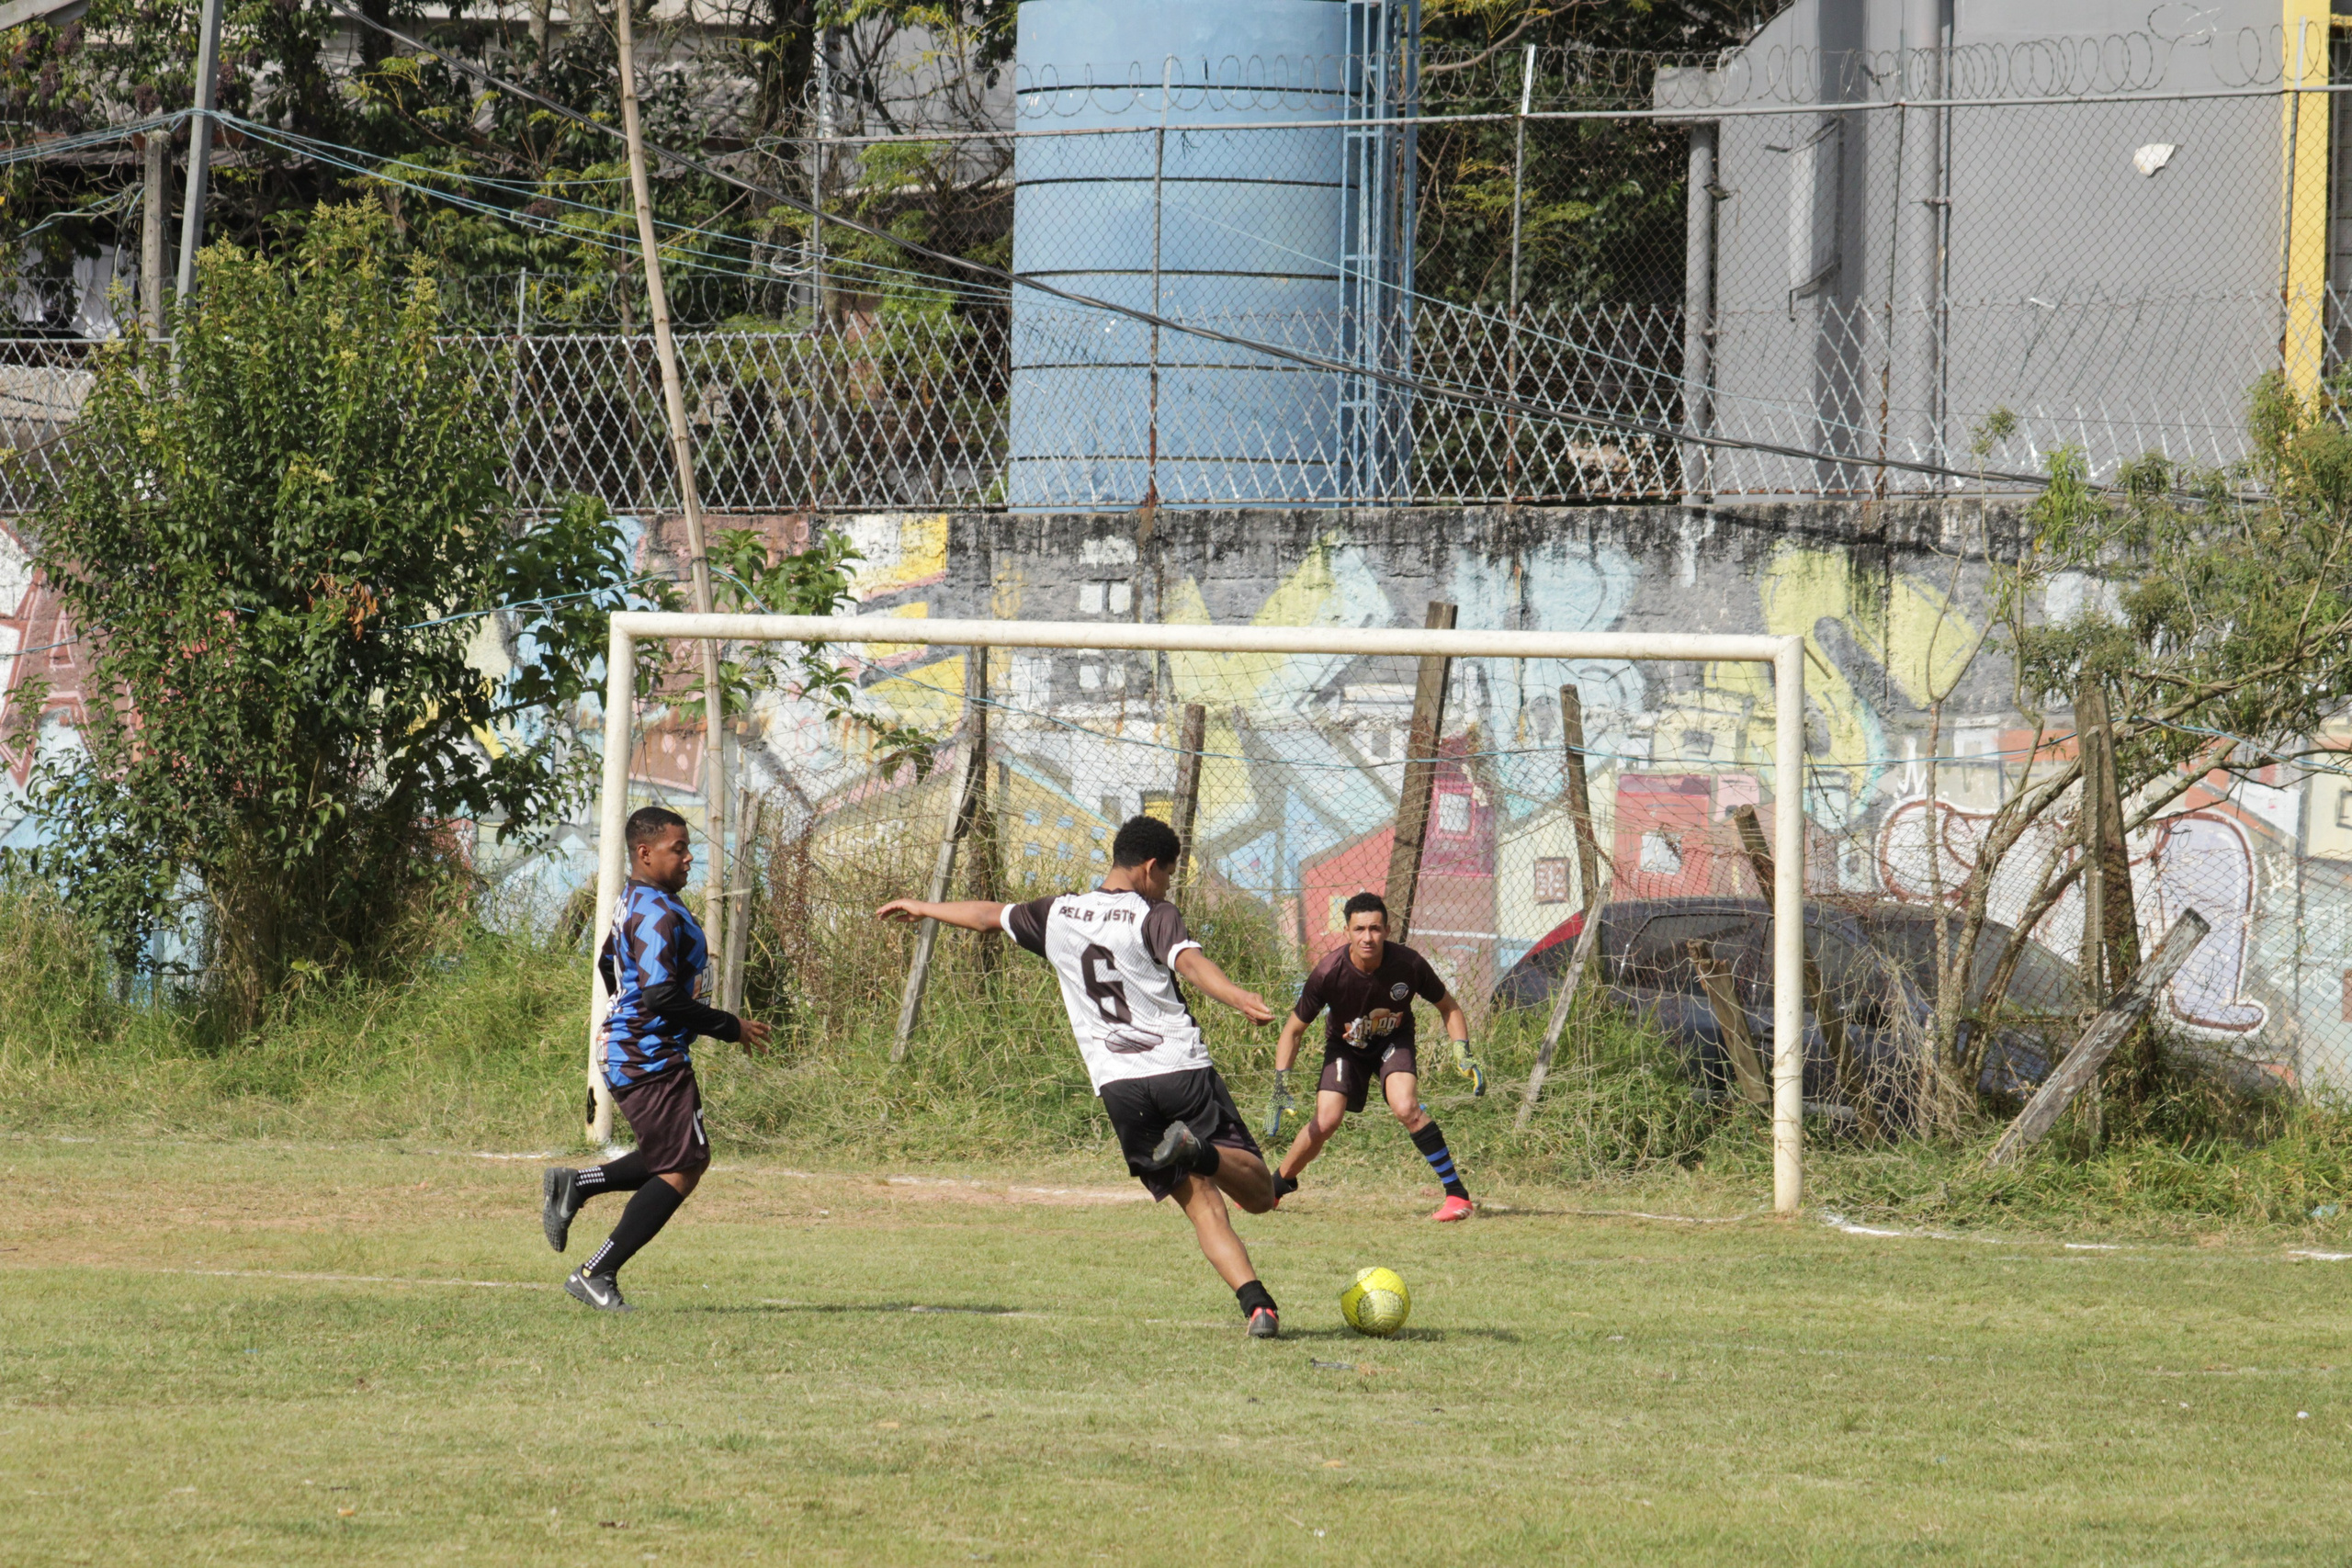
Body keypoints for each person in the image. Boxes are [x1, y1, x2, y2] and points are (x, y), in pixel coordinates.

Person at [875, 815, 1287, 1338]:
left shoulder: (1058, 912)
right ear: (1151, 867)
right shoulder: (1152, 914)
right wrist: (1236, 996)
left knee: (1202, 1205)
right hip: (1177, 1069)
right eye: (1167, 875)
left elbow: (986, 915)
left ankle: (1258, 1307)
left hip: (1120, 1088)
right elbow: (1190, 963)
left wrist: (924, 906)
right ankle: (1197, 1148)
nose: (1166, 886)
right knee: (1258, 1195)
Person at [540, 806, 773, 1311]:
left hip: (638, 1047)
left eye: (689, 849)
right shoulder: (656, 911)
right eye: (679, 849)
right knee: (685, 1164)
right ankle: (596, 1271)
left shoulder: (639, 899)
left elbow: (608, 960)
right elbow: (661, 996)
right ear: (645, 853)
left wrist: (626, 1019)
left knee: (676, 1149)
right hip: (647, 1054)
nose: (690, 859)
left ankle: (577, 1183)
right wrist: (730, 1027)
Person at [1268, 891, 1485, 1222]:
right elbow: (1293, 1030)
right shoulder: (1328, 972)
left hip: (1392, 1041)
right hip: (1345, 1048)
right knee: (1326, 1120)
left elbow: (1449, 1007)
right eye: (1359, 929)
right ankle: (1274, 1187)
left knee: (1407, 1107)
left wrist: (1462, 1051)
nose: (1367, 937)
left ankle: (1457, 1196)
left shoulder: (1409, 964)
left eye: (1374, 928)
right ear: (1347, 931)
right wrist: (1280, 1084)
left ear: (1386, 930)